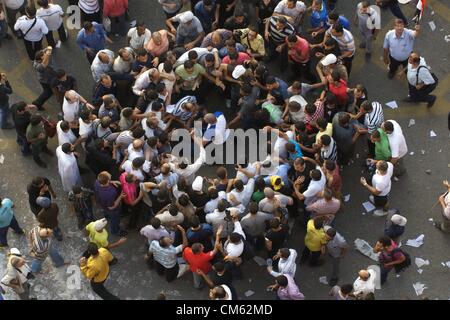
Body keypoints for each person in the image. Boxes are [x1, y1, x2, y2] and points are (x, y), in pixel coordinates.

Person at [94, 171, 128, 237]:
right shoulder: (110, 193)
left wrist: (112, 182)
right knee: (115, 220)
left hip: (103, 204)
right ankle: (115, 231)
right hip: (112, 210)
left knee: (106, 212)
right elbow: (111, 207)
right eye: (110, 178)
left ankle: (107, 217)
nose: (111, 175)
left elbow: (104, 182)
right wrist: (120, 196)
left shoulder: (97, 182)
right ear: (107, 180)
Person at [32, 47, 56, 111]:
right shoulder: (39, 66)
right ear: (41, 58)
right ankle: (37, 103)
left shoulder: (39, 57)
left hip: (48, 76)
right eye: (44, 54)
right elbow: (45, 62)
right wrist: (47, 54)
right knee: (48, 92)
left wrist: (48, 49)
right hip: (46, 80)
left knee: (48, 89)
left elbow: (47, 48)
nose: (45, 54)